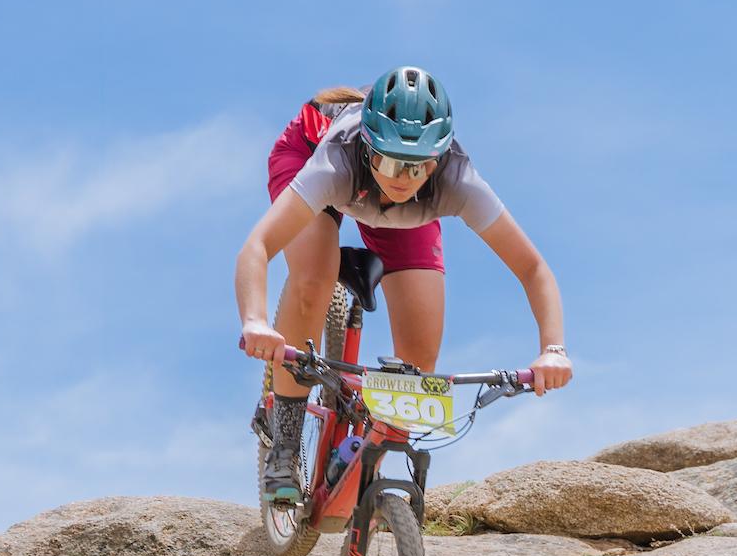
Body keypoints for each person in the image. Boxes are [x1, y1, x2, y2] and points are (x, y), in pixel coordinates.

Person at [235, 67, 573, 502]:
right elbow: (257, 246)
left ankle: (359, 447)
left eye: (419, 167)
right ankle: (283, 442)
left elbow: (533, 268)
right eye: (392, 161)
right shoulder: (336, 160)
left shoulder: (456, 179)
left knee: (418, 364)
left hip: (397, 213)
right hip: (308, 155)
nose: (403, 179)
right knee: (313, 280)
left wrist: (553, 349)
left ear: (440, 157)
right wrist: (255, 321)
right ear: (369, 147)